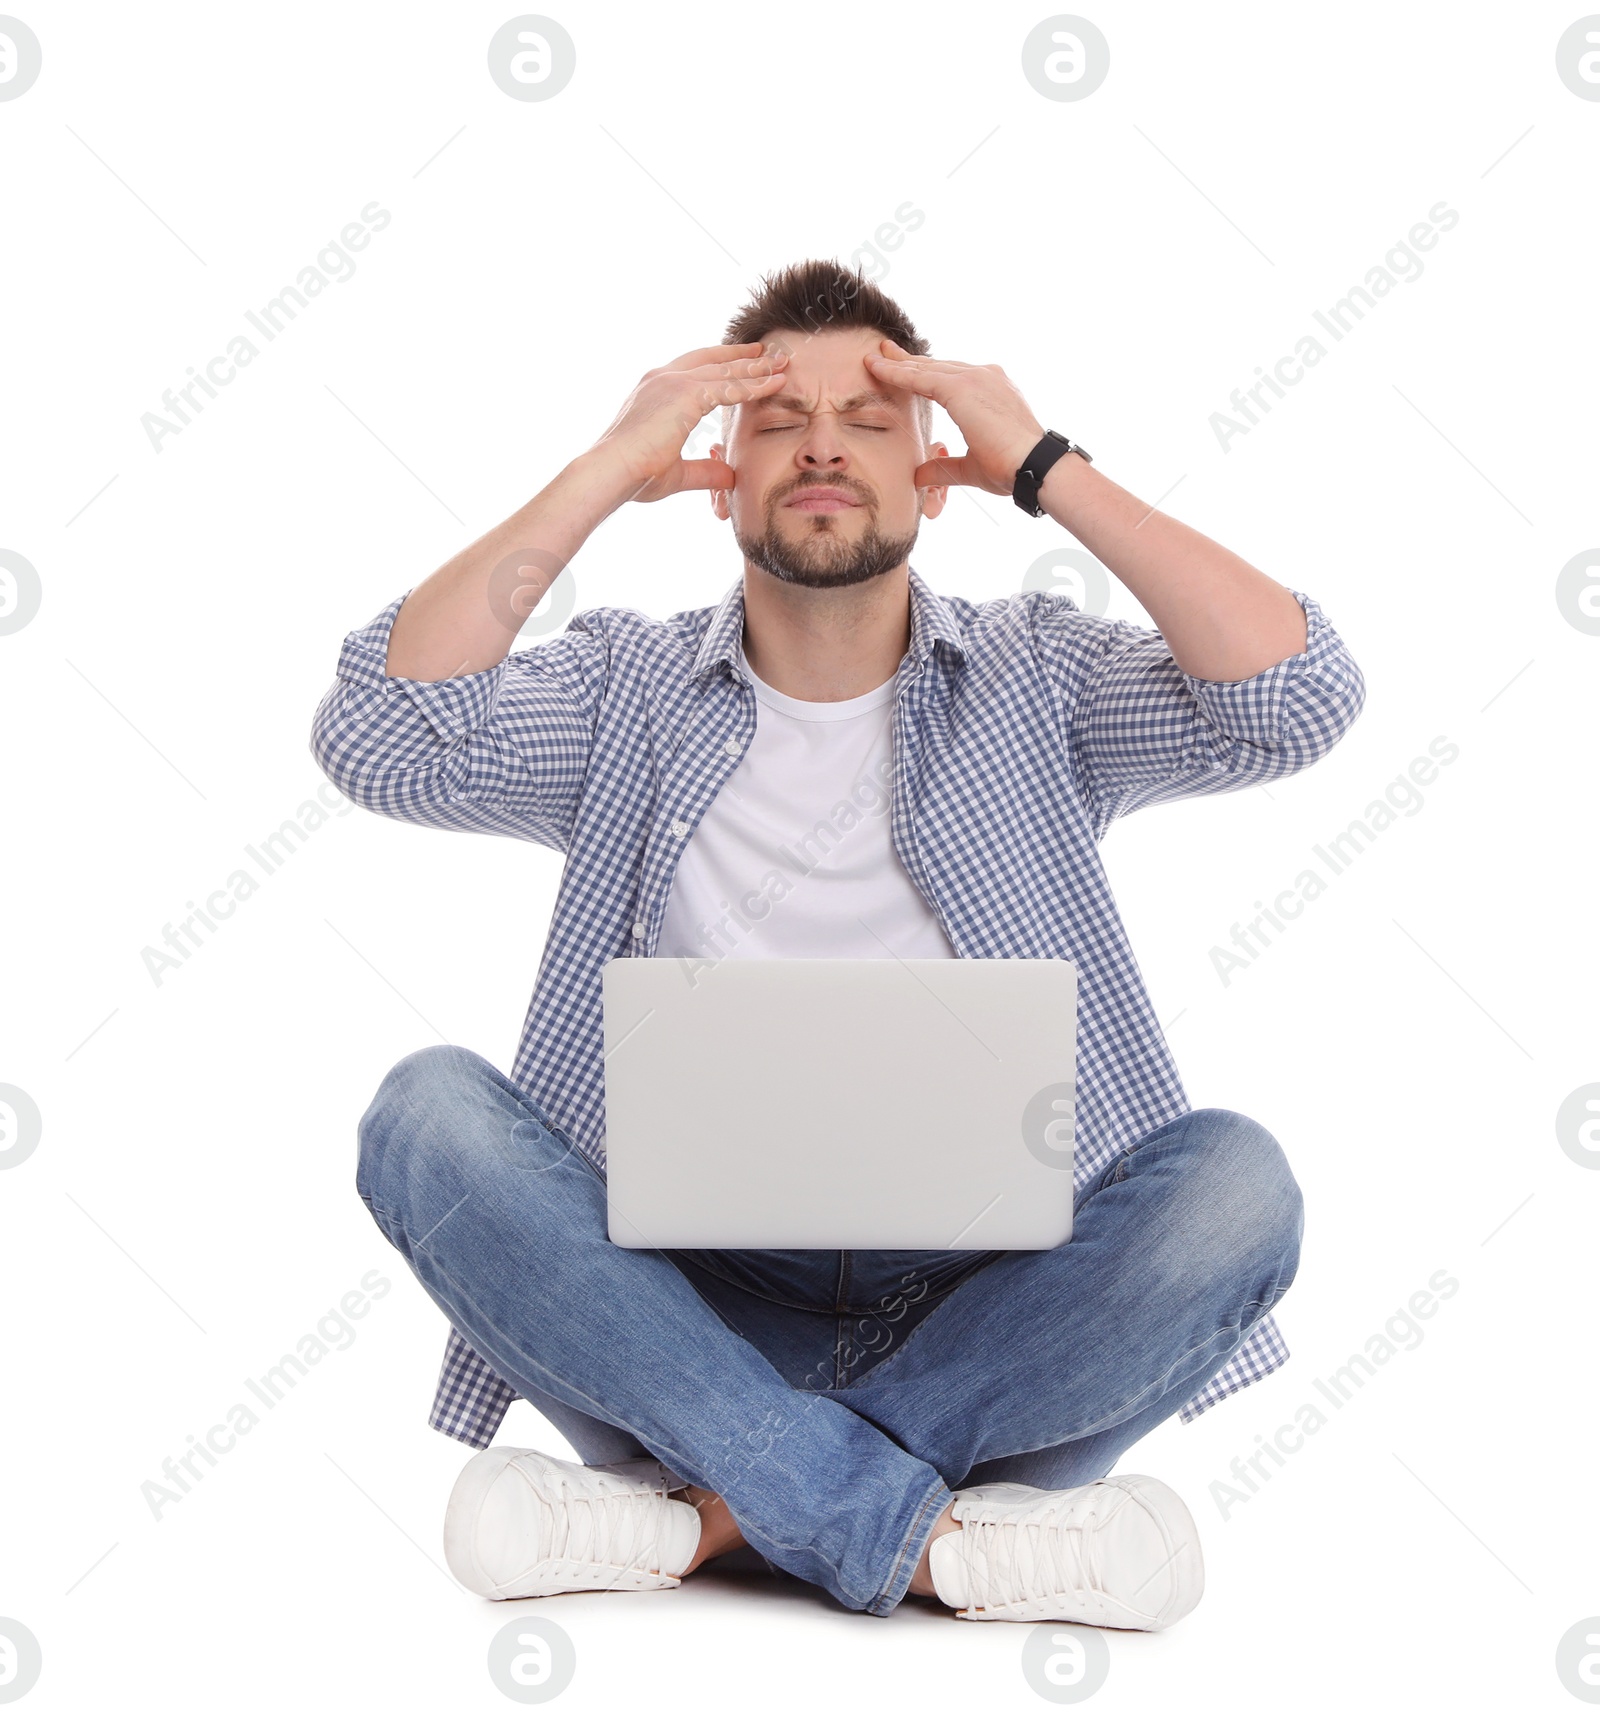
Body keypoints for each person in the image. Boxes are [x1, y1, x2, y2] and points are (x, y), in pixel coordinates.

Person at [311, 258, 1365, 1625]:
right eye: (777, 422)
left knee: (1236, 1187)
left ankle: (702, 1521)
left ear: (934, 472)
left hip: (993, 1328)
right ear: (720, 477)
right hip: (675, 1320)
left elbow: (1295, 699)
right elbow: (383, 738)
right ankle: (916, 1535)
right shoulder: (625, 688)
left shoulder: (1038, 677)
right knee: (425, 1118)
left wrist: (1046, 464)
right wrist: (600, 470)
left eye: (869, 421)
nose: (819, 444)